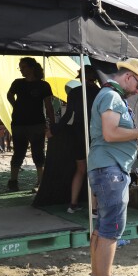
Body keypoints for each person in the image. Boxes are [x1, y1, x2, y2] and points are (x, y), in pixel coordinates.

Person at [87, 58, 138, 276]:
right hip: (110, 170)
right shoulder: (112, 97)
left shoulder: (112, 97)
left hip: (108, 168)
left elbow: (113, 134)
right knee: (112, 227)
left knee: (103, 225)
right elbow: (110, 132)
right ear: (128, 77)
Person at [49, 65, 100, 213]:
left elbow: (67, 115)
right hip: (94, 133)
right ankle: (94, 209)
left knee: (81, 169)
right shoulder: (101, 92)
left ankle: (73, 204)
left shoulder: (74, 92)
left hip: (78, 132)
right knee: (95, 170)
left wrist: (54, 130)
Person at [6, 57, 55, 192]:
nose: (21, 70)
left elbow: (48, 105)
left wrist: (52, 122)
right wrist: (15, 106)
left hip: (36, 124)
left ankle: (40, 182)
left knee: (38, 153)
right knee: (19, 152)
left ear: (31, 68)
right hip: (19, 124)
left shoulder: (43, 85)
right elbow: (9, 95)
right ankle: (13, 181)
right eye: (20, 67)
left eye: (23, 67)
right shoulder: (17, 83)